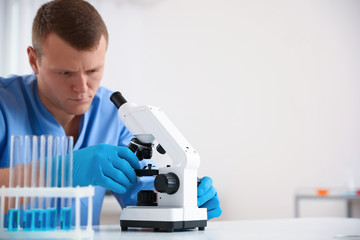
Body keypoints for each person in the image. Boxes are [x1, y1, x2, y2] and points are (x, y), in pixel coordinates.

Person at [0, 0, 222, 225]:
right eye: (65, 72)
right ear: (33, 60)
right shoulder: (4, 104)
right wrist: (57, 172)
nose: (82, 87)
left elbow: (142, 194)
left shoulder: (112, 114)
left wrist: (184, 198)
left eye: (93, 70)